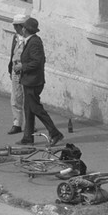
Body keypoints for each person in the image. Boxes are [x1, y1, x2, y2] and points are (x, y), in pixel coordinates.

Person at [13, 18, 64, 146]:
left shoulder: (34, 42)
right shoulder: (30, 41)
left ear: (25, 29)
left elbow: (37, 62)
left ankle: (55, 133)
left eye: (23, 27)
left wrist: (22, 67)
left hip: (33, 81)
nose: (21, 29)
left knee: (35, 108)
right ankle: (28, 137)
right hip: (29, 80)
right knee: (29, 109)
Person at [7, 14, 28, 135]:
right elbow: (12, 53)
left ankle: (30, 124)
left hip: (26, 72)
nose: (15, 28)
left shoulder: (30, 39)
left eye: (17, 26)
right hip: (16, 70)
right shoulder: (16, 37)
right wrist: (11, 68)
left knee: (28, 98)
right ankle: (17, 123)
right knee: (15, 98)